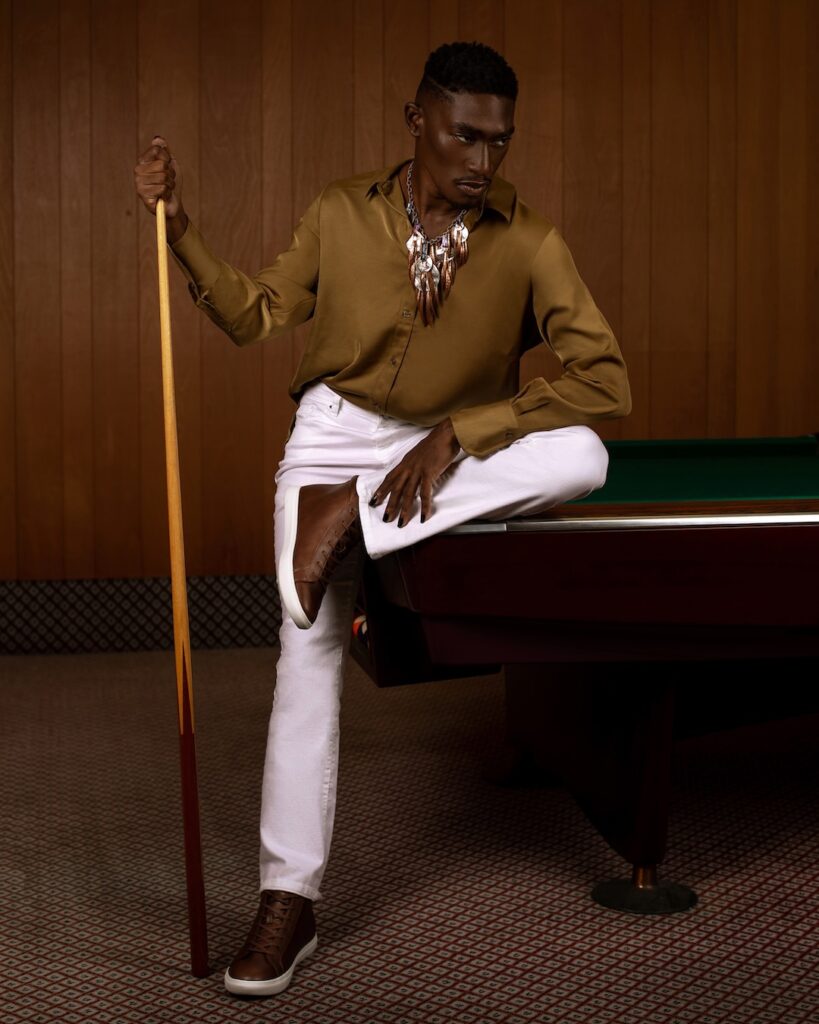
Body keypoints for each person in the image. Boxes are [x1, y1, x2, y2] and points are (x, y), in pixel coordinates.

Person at [134, 40, 631, 997]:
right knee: (307, 649)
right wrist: (178, 226)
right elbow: (251, 315)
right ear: (416, 120)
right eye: (463, 135)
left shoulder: (529, 241)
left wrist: (461, 431)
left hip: (447, 459)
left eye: (500, 141)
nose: (483, 161)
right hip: (335, 438)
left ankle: (353, 518)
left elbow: (604, 382)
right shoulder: (337, 211)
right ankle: (290, 901)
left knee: (586, 455)